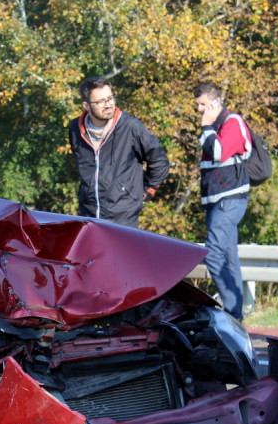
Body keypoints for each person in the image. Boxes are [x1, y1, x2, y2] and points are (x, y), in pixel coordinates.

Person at [68, 77, 169, 228]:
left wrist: (146, 190)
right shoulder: (75, 129)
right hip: (88, 216)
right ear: (86, 106)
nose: (108, 104)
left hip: (123, 217)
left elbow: (159, 161)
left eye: (110, 98)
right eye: (101, 101)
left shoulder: (130, 127)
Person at [194, 82, 252, 320]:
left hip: (230, 199)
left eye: (203, 105)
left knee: (213, 252)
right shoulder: (216, 125)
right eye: (197, 105)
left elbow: (218, 152)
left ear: (216, 102)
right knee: (228, 256)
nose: (199, 110)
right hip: (218, 200)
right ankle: (235, 314)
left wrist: (206, 128)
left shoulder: (231, 122)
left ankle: (231, 308)